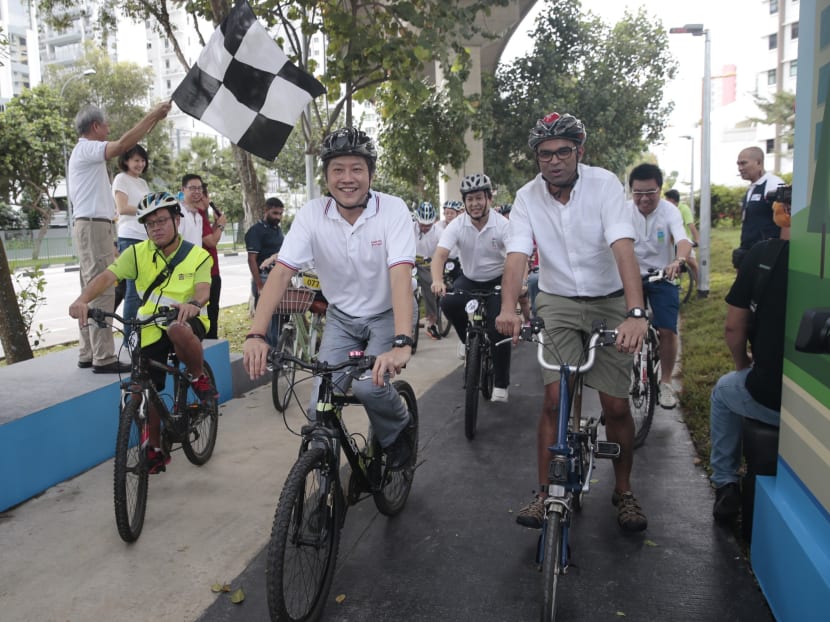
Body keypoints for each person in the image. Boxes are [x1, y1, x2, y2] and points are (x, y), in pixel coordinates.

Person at [496, 111, 649, 532]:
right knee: (552, 400)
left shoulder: (603, 185)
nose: (554, 160)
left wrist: (635, 313)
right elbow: (516, 255)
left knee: (616, 405)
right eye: (545, 154)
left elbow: (622, 248)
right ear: (537, 159)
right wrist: (508, 307)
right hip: (558, 301)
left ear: (579, 152)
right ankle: (545, 494)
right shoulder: (527, 196)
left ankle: (624, 491)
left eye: (564, 151)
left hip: (608, 299)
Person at [243, 127, 416, 471]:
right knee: (319, 405)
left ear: (371, 173)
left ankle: (400, 431)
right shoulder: (312, 214)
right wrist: (256, 334)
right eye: (338, 170)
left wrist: (401, 341)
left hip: (387, 313)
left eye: (357, 169)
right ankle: (325, 489)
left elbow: (400, 274)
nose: (347, 178)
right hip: (341, 317)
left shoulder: (392, 210)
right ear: (326, 176)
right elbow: (280, 274)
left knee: (369, 388)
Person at [69, 191, 217, 473]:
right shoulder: (136, 253)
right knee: (144, 385)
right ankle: (156, 450)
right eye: (150, 224)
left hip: (187, 317)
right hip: (149, 324)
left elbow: (203, 289)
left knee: (177, 328)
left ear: (176, 220)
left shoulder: (196, 255)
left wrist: (193, 304)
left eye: (161, 221)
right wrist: (82, 300)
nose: (156, 228)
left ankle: (199, 377)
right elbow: (106, 277)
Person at [69, 101, 170, 373]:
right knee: (102, 287)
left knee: (89, 289)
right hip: (93, 225)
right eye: (105, 125)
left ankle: (88, 352)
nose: (109, 130)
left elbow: (122, 143)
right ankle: (103, 357)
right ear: (95, 126)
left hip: (91, 225)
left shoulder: (83, 152)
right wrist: (152, 115)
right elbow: (122, 144)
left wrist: (154, 121)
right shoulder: (88, 148)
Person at [710, 199, 790, 521]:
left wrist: (743, 365)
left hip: (772, 398)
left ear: (781, 212)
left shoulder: (762, 255)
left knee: (725, 390)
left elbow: (734, 327)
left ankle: (726, 484)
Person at [430, 173, 512, 403]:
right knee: (449, 301)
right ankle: (467, 339)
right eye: (470, 199)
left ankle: (501, 383)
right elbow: (440, 256)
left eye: (479, 198)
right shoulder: (457, 225)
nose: (474, 204)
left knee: (499, 328)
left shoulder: (503, 225)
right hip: (469, 278)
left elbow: (517, 257)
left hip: (497, 279)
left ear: (488, 199)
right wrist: (437, 280)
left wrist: (521, 284)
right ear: (464, 203)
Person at [628, 164, 693, 410]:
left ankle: (665, 382)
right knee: (624, 329)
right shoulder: (623, 211)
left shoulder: (670, 212)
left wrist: (679, 260)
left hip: (662, 277)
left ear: (660, 189)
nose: (644, 198)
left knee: (667, 330)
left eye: (650, 192)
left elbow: (683, 240)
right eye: (637, 193)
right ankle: (626, 374)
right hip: (630, 278)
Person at [112, 144, 151, 342]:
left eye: (142, 160)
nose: (140, 164)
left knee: (144, 289)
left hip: (146, 238)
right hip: (130, 236)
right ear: (126, 161)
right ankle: (129, 338)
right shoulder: (121, 179)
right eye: (136, 160)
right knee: (133, 290)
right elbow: (122, 207)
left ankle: (140, 332)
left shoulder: (143, 183)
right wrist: (148, 210)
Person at [183, 174, 227, 339]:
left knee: (212, 310)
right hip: (204, 273)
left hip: (212, 270)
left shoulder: (201, 217)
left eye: (201, 191)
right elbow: (211, 241)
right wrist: (221, 225)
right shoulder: (195, 215)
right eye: (193, 189)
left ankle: (211, 341)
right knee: (205, 311)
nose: (203, 198)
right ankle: (206, 340)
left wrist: (216, 223)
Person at [734, 146, 785, 269]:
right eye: (738, 164)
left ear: (759, 162)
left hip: (767, 254)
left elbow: (786, 221)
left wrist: (781, 253)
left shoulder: (773, 184)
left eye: (744, 163)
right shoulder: (752, 189)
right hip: (749, 253)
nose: (740, 168)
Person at [245, 197, 286, 345]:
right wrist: (259, 285)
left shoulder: (277, 229)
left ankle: (277, 352)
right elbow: (251, 259)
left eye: (280, 214)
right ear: (265, 210)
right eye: (275, 213)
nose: (278, 217)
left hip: (279, 277)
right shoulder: (256, 231)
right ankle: (268, 355)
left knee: (279, 318)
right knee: (267, 319)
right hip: (263, 277)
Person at [414, 201, 442, 339]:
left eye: (428, 225)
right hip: (410, 263)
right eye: (422, 225)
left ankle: (431, 322)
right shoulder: (408, 227)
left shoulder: (438, 232)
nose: (425, 228)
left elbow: (444, 250)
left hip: (428, 264)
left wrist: (435, 259)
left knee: (431, 285)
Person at [664, 188, 699, 280]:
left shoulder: (684, 209)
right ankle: (678, 286)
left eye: (667, 199)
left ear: (672, 200)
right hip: (671, 243)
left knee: (693, 264)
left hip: (684, 242)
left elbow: (691, 225)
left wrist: (697, 240)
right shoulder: (667, 210)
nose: (666, 202)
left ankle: (699, 286)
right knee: (675, 266)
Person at [178, 175, 206, 248]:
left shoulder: (198, 216)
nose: (197, 191)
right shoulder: (178, 212)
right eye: (192, 188)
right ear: (183, 189)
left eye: (199, 188)